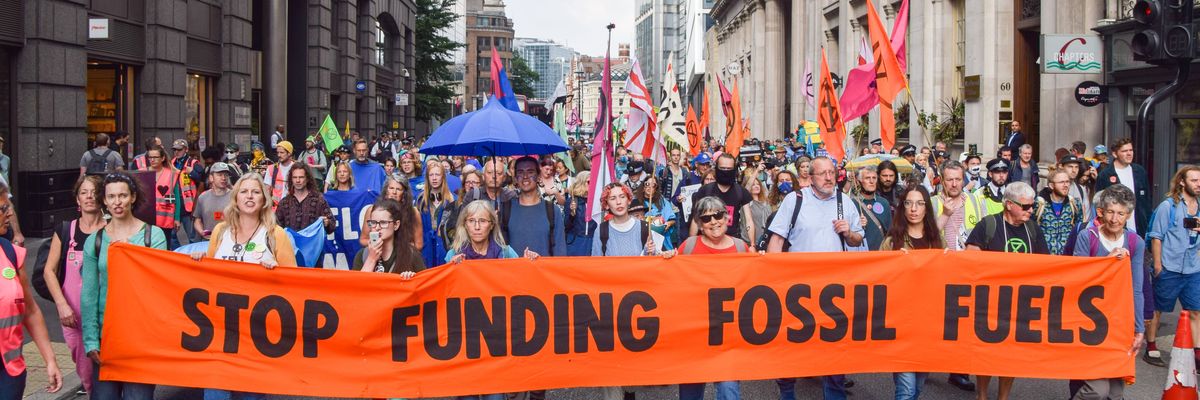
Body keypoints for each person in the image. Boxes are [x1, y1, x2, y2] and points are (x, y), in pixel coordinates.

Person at [767, 156, 864, 400]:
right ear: (810, 178)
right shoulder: (795, 200)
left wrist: (849, 233)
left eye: (832, 173)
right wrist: (772, 279)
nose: (829, 178)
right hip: (797, 289)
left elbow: (858, 239)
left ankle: (835, 394)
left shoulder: (845, 202)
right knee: (793, 345)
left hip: (834, 291)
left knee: (834, 348)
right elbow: (776, 240)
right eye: (823, 174)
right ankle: (787, 391)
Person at [83, 173, 168, 399]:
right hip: (107, 336)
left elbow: (159, 283)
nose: (117, 202)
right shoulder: (95, 241)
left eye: (122, 195)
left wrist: (131, 255)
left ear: (133, 197)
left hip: (141, 337)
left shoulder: (153, 236)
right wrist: (91, 340)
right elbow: (89, 294)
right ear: (104, 200)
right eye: (111, 197)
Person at [965, 181, 1048, 400]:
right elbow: (970, 257)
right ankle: (982, 395)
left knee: (1011, 355)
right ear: (1009, 204)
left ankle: (1003, 397)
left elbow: (1046, 264)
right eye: (1026, 206)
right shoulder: (988, 224)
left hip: (1021, 304)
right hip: (990, 302)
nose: (1031, 210)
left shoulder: (1033, 229)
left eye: (1032, 206)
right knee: (987, 352)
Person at [664, 196, 746, 400]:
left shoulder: (740, 248)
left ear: (726, 217)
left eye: (718, 215)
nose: (713, 221)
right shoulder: (689, 246)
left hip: (728, 336)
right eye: (706, 218)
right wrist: (667, 261)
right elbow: (672, 283)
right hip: (693, 335)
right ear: (700, 224)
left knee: (728, 391)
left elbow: (752, 287)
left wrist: (763, 261)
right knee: (690, 394)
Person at [1069, 184, 1145, 400]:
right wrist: (1106, 262)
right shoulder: (1087, 236)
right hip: (1089, 321)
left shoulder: (1135, 242)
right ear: (1101, 212)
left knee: (1115, 392)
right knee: (1096, 389)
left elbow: (1136, 288)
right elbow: (1078, 277)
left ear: (1128, 215)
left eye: (1121, 213)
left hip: (1119, 323)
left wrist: (1139, 329)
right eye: (1110, 212)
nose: (1114, 219)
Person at [444, 200, 522, 400]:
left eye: (482, 221)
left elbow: (523, 283)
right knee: (467, 395)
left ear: (491, 225)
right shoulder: (453, 255)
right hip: (465, 338)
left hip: (496, 337)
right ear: (465, 224)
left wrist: (532, 263)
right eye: (471, 221)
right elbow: (442, 295)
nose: (477, 226)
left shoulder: (506, 253)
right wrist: (449, 272)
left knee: (495, 395)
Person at [878, 184, 943, 400]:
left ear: (927, 208)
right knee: (906, 389)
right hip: (901, 323)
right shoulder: (891, 242)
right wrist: (895, 265)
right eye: (908, 203)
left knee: (918, 386)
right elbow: (878, 278)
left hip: (928, 323)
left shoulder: (937, 241)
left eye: (919, 203)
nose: (914, 209)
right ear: (903, 207)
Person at [39, 177, 101, 395]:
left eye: (94, 192)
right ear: (77, 199)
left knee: (107, 373)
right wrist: (62, 305)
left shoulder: (111, 230)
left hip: (104, 317)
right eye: (84, 192)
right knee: (85, 372)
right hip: (72, 317)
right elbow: (49, 271)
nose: (89, 197)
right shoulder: (66, 230)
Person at [1144, 166, 1200, 367]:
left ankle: (1197, 353)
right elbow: (1156, 237)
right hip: (1169, 267)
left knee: (1195, 310)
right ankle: (1151, 347)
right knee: (1157, 309)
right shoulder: (1168, 206)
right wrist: (1158, 265)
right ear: (1182, 182)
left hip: (1193, 269)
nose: (1199, 184)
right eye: (1194, 180)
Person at [499, 156, 567, 259]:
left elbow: (560, 253)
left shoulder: (552, 211)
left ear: (539, 176)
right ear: (515, 177)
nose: (525, 176)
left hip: (544, 269)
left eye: (530, 172)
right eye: (520, 172)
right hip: (513, 269)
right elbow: (499, 251)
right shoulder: (505, 209)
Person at [1095, 138, 1152, 235]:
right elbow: (1100, 204)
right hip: (1115, 230)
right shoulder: (1105, 175)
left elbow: (1147, 202)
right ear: (1115, 154)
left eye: (1131, 150)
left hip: (1139, 229)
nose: (1129, 153)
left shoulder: (1140, 172)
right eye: (1124, 151)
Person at [354, 198, 424, 276]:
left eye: (383, 222)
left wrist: (412, 278)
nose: (377, 227)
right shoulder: (363, 255)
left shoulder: (411, 254)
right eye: (373, 222)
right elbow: (357, 283)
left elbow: (423, 281)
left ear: (396, 225)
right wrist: (371, 259)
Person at [690, 154, 751, 241]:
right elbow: (695, 219)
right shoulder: (705, 190)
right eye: (722, 168)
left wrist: (752, 244)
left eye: (729, 169)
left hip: (731, 241)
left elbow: (749, 220)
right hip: (707, 240)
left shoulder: (740, 191)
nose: (725, 171)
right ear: (717, 168)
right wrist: (691, 243)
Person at [932, 161, 986, 252]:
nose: (954, 184)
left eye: (958, 179)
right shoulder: (932, 203)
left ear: (963, 180)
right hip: (942, 258)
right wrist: (945, 215)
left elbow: (985, 234)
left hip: (969, 259)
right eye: (949, 180)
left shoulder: (976, 200)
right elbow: (927, 237)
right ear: (941, 181)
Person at [359, 176, 423, 251]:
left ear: (404, 193)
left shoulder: (413, 212)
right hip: (380, 253)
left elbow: (419, 245)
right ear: (386, 191)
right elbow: (363, 240)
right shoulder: (372, 210)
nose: (394, 192)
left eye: (398, 189)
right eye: (391, 188)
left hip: (405, 254)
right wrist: (382, 245)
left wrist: (398, 248)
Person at [275, 162, 336, 234]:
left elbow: (332, 225)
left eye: (301, 177)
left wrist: (327, 223)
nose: (298, 180)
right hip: (290, 241)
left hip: (312, 241)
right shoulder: (284, 203)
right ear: (291, 179)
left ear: (307, 179)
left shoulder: (318, 200)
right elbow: (276, 228)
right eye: (295, 177)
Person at [1034, 170, 1084, 255]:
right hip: (1045, 255)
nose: (1065, 185)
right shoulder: (1039, 203)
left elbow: (1078, 228)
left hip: (1067, 255)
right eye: (1061, 182)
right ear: (1051, 185)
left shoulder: (1074, 203)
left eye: (1067, 182)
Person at [417, 163, 454, 268]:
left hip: (443, 248)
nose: (434, 178)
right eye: (431, 175)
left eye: (437, 175)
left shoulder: (451, 200)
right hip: (426, 249)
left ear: (443, 177)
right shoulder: (421, 201)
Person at [170, 139, 205, 244]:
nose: (176, 152)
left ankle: (192, 252)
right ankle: (177, 252)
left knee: (192, 237)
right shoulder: (171, 163)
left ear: (186, 149)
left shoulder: (193, 163)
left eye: (179, 150)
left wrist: (192, 173)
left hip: (189, 207)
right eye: (175, 150)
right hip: (174, 205)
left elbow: (203, 180)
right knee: (171, 236)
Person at [852, 166, 892, 250]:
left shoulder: (884, 203)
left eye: (874, 178)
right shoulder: (852, 203)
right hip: (861, 254)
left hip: (882, 253)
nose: (871, 181)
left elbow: (890, 232)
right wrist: (857, 226)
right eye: (867, 178)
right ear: (858, 182)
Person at [192, 162, 234, 240]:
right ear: (211, 178)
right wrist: (202, 232)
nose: (224, 178)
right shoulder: (203, 197)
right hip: (208, 241)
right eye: (220, 175)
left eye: (226, 175)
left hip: (229, 240)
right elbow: (197, 220)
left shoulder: (235, 197)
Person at [639, 175, 677, 250]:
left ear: (656, 188)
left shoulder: (662, 201)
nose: (649, 187)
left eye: (653, 185)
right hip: (643, 238)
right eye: (647, 184)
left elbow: (672, 219)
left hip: (662, 238)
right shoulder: (637, 202)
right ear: (643, 187)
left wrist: (668, 224)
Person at [565, 171, 596, 256]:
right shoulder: (572, 201)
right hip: (576, 243)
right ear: (581, 183)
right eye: (589, 182)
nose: (592, 184)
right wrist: (572, 214)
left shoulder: (597, 201)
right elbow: (566, 226)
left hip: (593, 241)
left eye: (594, 182)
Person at [1057, 154, 1091, 221]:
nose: (1074, 170)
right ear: (1061, 166)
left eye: (1076, 167)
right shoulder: (1051, 189)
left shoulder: (1081, 190)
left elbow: (1084, 217)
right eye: (1070, 167)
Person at [739, 175, 770, 247]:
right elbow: (746, 189)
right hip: (750, 242)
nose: (756, 186)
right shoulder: (746, 203)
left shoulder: (766, 202)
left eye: (758, 184)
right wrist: (757, 171)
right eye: (753, 185)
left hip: (765, 241)